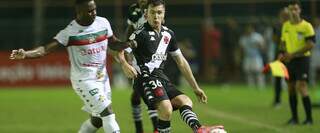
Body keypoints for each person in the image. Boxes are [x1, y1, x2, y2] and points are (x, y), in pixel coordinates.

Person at [9, 0, 138, 132]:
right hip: (84, 80)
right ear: (79, 13)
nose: (93, 13)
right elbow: (45, 49)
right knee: (108, 113)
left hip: (103, 79)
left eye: (94, 9)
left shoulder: (103, 23)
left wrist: (128, 44)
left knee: (98, 120)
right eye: (89, 11)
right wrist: (25, 54)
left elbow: (113, 43)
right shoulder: (70, 32)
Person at [127, 0, 225, 132]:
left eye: (159, 13)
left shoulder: (169, 34)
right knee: (166, 109)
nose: (156, 16)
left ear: (164, 14)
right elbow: (122, 51)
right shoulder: (139, 34)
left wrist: (195, 87)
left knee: (185, 100)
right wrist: (126, 65)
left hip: (161, 78)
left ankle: (199, 129)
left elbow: (181, 62)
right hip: (144, 79)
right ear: (146, 14)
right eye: (152, 13)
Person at [279, 0, 315, 125]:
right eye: (291, 9)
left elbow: (310, 44)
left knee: (302, 86)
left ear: (299, 10)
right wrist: (281, 53)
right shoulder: (286, 26)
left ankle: (309, 119)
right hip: (289, 60)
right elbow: (283, 42)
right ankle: (294, 118)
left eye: (295, 9)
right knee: (290, 88)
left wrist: (293, 54)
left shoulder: (306, 26)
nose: (293, 11)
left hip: (302, 59)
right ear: (288, 11)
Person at [125, 0, 159, 133]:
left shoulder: (154, 9)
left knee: (144, 92)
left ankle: (156, 128)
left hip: (151, 55)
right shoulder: (133, 10)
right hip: (138, 55)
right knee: (136, 95)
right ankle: (142, 128)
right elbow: (130, 29)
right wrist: (127, 48)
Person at [239, 24, 266, 89]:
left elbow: (263, 46)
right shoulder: (243, 38)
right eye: (247, 29)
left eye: (250, 28)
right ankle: (251, 86)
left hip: (256, 56)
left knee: (259, 71)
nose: (249, 30)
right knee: (248, 72)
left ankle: (261, 86)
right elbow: (241, 49)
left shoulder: (257, 37)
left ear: (253, 29)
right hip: (247, 57)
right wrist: (240, 56)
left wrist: (259, 45)